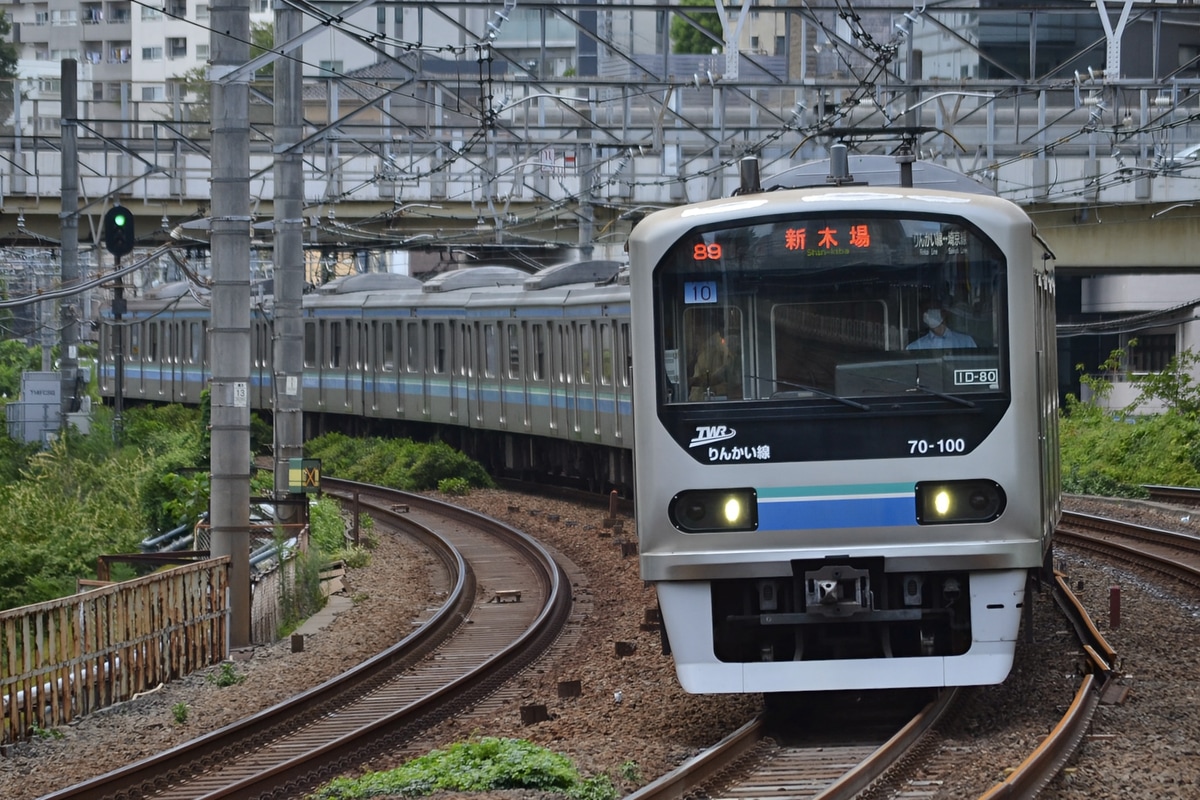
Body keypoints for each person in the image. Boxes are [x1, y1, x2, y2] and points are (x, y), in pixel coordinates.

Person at [689, 327, 733, 400]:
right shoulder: (704, 347)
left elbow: (717, 377)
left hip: (709, 400)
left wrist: (692, 381)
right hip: (698, 399)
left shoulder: (715, 348)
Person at [907, 308, 977, 350]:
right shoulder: (915, 347)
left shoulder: (967, 342)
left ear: (944, 314)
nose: (931, 314)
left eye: (935, 309)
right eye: (928, 310)